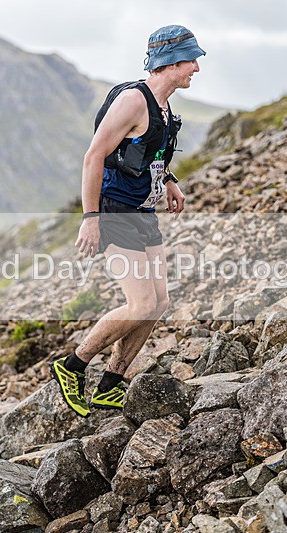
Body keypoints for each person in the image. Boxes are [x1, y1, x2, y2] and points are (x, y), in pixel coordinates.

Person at [50, 25, 205, 417]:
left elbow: (148, 154)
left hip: (142, 212)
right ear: (170, 61)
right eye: (192, 60)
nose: (196, 69)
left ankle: (111, 383)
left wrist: (168, 180)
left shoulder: (164, 105)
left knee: (159, 302)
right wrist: (91, 218)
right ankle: (72, 366)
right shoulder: (134, 101)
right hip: (114, 210)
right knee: (140, 303)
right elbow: (93, 156)